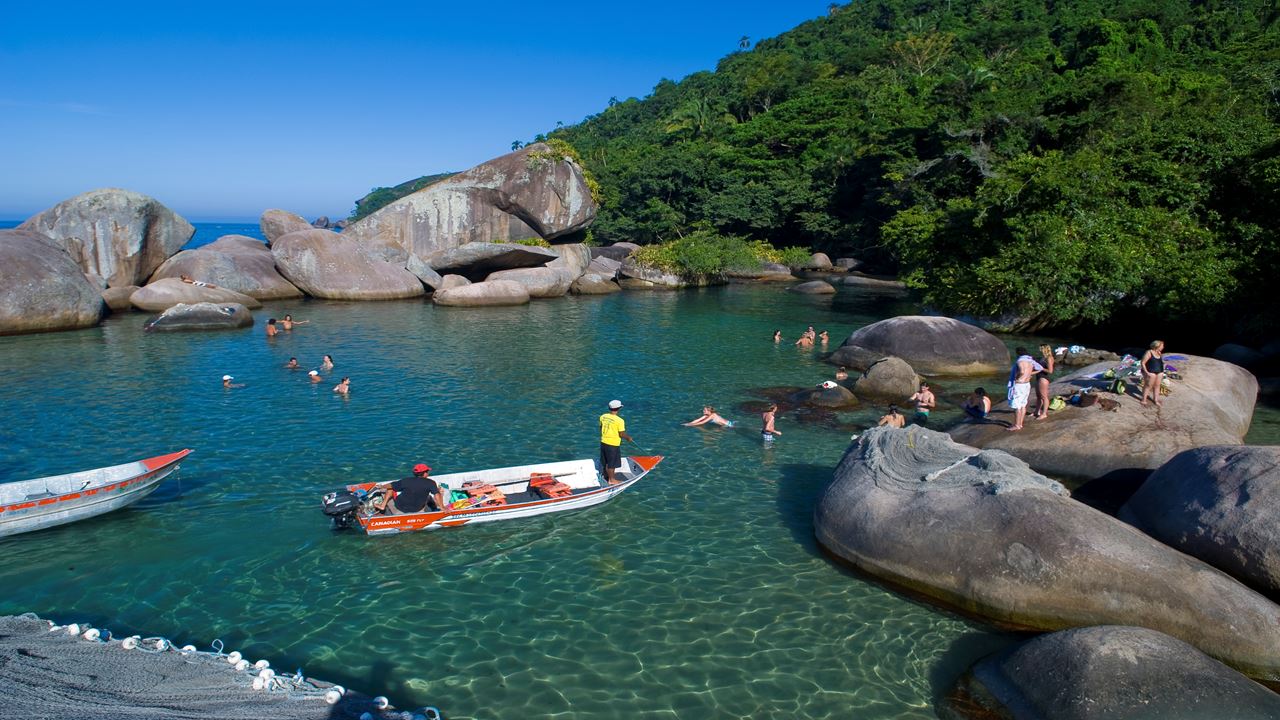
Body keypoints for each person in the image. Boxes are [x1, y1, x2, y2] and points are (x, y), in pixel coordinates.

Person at [373, 463, 444, 515]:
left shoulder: (406, 480)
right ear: (424, 473)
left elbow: (391, 485)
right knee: (432, 494)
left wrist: (381, 487)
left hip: (399, 506)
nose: (428, 473)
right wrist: (442, 507)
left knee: (391, 488)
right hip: (417, 509)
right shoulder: (430, 483)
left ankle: (382, 505)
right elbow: (437, 495)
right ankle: (435, 508)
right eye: (427, 472)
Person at [1007, 347, 1045, 431]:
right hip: (1027, 384)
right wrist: (1029, 373)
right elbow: (1040, 368)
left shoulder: (1020, 361)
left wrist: (1017, 377)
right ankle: (1020, 424)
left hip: (1019, 384)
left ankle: (1017, 425)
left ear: (1018, 353)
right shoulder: (1030, 360)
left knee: (1017, 405)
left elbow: (1022, 371)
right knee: (1023, 405)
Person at [599, 400, 633, 485]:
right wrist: (628, 438)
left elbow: (601, 428)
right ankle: (612, 480)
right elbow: (621, 434)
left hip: (603, 442)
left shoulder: (603, 416)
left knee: (606, 461)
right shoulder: (620, 420)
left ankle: (605, 475)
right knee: (612, 463)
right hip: (613, 444)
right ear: (619, 408)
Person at [1033, 344, 1056, 419]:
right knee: (1038, 396)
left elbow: (1050, 371)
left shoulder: (1049, 358)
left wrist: (1041, 368)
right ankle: (1036, 411)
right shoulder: (1043, 357)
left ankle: (1044, 414)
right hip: (1038, 377)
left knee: (1044, 397)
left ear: (1044, 349)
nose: (1039, 350)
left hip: (1043, 378)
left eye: (1041, 349)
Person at [1140, 340, 1166, 407]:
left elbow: (1160, 362)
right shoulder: (1149, 352)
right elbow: (1143, 362)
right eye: (1162, 346)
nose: (1163, 347)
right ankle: (1144, 400)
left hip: (1159, 371)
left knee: (1157, 386)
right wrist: (1146, 372)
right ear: (1157, 346)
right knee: (1148, 386)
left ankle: (1156, 400)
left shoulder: (1159, 353)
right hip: (1151, 372)